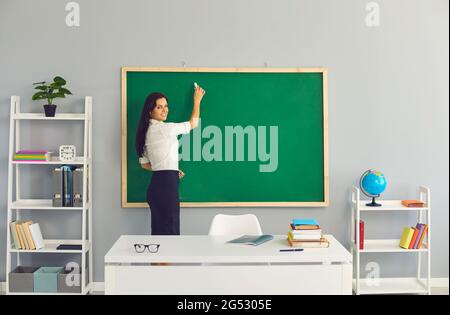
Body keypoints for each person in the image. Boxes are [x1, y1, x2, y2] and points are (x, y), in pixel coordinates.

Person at [135, 85, 206, 235]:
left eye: (166, 106)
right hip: (166, 187)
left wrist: (170, 169)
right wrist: (197, 100)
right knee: (170, 237)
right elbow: (193, 124)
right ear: (150, 111)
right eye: (159, 107)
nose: (164, 110)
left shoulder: (148, 131)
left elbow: (146, 164)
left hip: (160, 183)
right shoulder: (162, 129)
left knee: (160, 238)